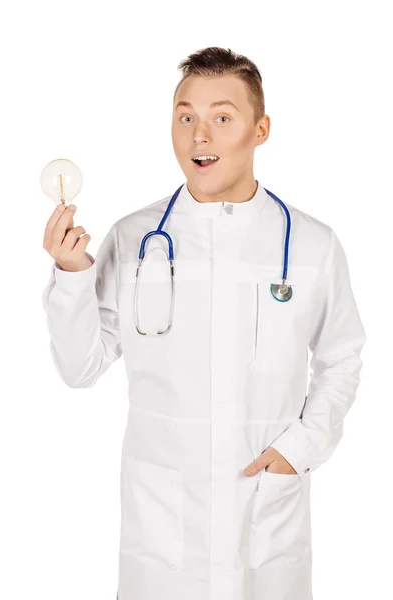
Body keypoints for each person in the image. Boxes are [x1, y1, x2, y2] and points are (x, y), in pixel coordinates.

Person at [42, 46, 366, 600]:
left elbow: (341, 357)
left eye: (222, 117)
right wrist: (71, 274)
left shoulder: (311, 244)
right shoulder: (136, 239)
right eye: (185, 116)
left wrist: (302, 448)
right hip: (163, 527)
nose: (199, 135)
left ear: (260, 129)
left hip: (265, 518)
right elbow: (80, 368)